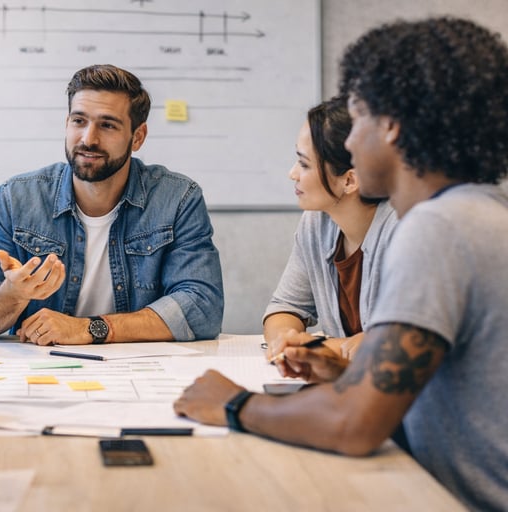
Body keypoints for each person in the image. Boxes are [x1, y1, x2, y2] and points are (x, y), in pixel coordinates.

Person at [174, 17, 508, 510]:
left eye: (359, 116)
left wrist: (235, 404)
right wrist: (345, 373)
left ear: (391, 126)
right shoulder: (480, 211)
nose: (350, 143)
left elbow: (355, 426)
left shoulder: (438, 229)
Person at [0, 64, 223, 345]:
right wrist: (11, 295)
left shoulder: (178, 199)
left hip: (143, 366)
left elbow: (202, 307)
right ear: (67, 124)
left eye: (107, 125)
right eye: (79, 121)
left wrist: (88, 329)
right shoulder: (16, 198)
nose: (88, 139)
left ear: (138, 137)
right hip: (41, 365)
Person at [263, 96, 396, 364]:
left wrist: (310, 347)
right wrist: (286, 342)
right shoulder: (316, 221)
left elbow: (387, 346)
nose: (292, 174)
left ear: (350, 180)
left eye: (304, 164)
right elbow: (285, 309)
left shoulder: (404, 229)